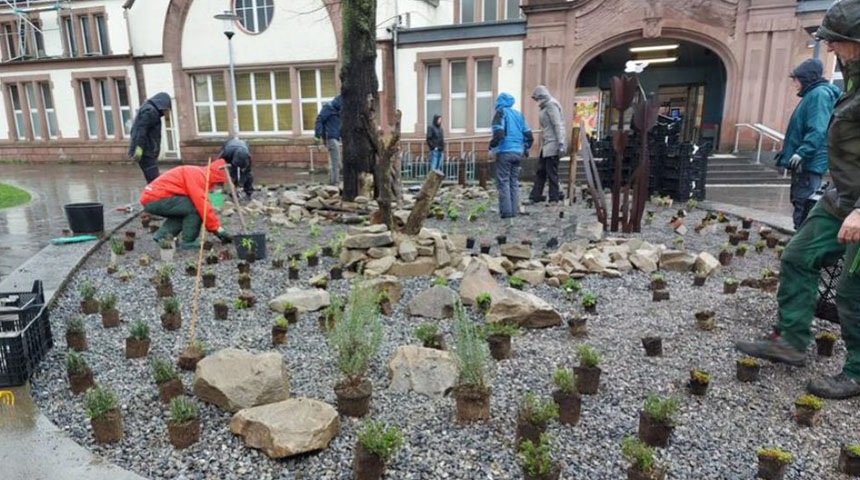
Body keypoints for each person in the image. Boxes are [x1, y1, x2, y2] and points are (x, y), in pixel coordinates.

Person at [736, 0, 860, 399]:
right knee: (798, 256)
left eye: (837, 43)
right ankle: (791, 341)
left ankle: (857, 372)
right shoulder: (851, 82)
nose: (832, 50)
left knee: (852, 290)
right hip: (841, 196)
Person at [776, 59, 841, 229]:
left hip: (810, 162)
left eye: (796, 79)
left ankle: (798, 248)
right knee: (802, 202)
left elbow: (817, 128)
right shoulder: (815, 94)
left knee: (804, 204)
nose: (794, 83)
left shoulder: (818, 95)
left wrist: (802, 152)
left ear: (805, 78)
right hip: (809, 162)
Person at [140, 159, 232, 249]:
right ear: (215, 177)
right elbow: (203, 206)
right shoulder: (199, 177)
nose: (216, 186)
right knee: (195, 207)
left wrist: (215, 228)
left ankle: (162, 235)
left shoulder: (198, 172)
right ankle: (188, 242)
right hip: (156, 198)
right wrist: (217, 229)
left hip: (152, 197)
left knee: (184, 209)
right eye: (218, 182)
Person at [489, 92, 533, 219]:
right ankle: (514, 210)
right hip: (518, 152)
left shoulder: (500, 113)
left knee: (503, 181)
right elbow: (529, 135)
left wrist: (491, 147)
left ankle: (506, 212)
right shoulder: (519, 115)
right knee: (513, 182)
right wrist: (525, 148)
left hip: (505, 151)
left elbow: (499, 133)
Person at [528, 85, 567, 205]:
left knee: (551, 172)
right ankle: (536, 195)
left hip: (553, 144)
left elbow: (557, 124)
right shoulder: (546, 106)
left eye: (537, 98)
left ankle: (554, 197)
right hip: (546, 144)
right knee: (541, 170)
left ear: (541, 96)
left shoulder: (551, 105)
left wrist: (560, 143)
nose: (536, 101)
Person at [129, 92, 171, 184]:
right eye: (166, 109)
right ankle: (154, 197)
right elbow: (141, 131)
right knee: (154, 181)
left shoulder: (147, 108)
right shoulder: (151, 112)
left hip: (146, 151)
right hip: (147, 152)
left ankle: (154, 196)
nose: (165, 112)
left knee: (153, 179)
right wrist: (139, 149)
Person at [314, 95, 342, 186]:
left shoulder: (335, 110)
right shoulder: (329, 108)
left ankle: (332, 182)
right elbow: (319, 120)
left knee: (334, 162)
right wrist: (317, 136)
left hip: (334, 138)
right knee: (335, 162)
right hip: (331, 138)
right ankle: (335, 184)